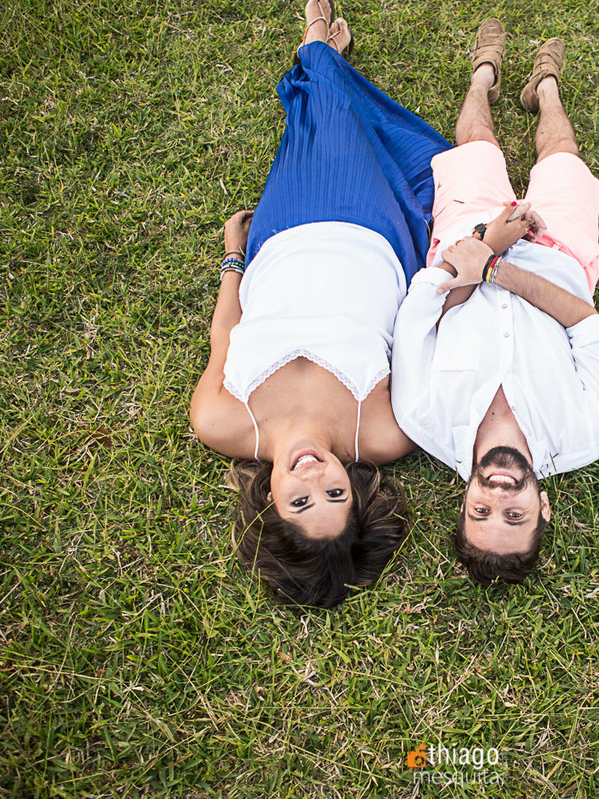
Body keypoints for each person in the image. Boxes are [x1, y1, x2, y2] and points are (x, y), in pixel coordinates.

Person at [190, 2, 451, 608]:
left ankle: (321, 55)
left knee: (306, 132)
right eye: (335, 496)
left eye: (300, 500)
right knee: (429, 159)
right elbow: (422, 332)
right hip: (374, 235)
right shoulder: (384, 435)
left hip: (280, 236)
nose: (314, 478)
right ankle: (320, 52)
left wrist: (235, 258)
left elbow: (224, 335)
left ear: (270, 504)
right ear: (356, 494)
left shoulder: (221, 423)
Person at [391, 20, 599, 586]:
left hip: (468, 240)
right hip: (557, 257)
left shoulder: (422, 418)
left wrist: (488, 242)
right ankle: (545, 88)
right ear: (544, 511)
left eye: (480, 512)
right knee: (561, 151)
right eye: (513, 516)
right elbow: (589, 327)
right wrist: (500, 267)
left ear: (462, 504)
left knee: (477, 144)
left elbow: (422, 311)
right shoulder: (586, 434)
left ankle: (482, 77)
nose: (497, 496)